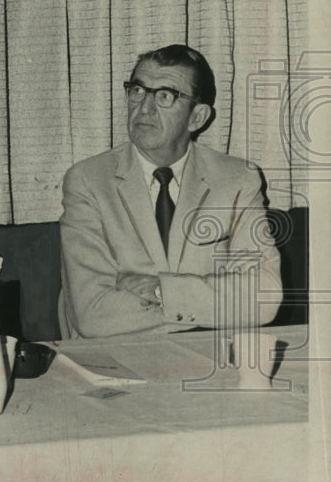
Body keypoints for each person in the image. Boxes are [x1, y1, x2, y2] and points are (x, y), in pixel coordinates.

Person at [59, 44, 282, 338]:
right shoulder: (88, 180)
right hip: (111, 362)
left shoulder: (237, 180)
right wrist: (212, 305)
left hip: (206, 359)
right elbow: (93, 314)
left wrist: (159, 289)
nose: (144, 108)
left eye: (165, 96)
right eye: (137, 90)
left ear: (197, 118)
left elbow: (263, 297)